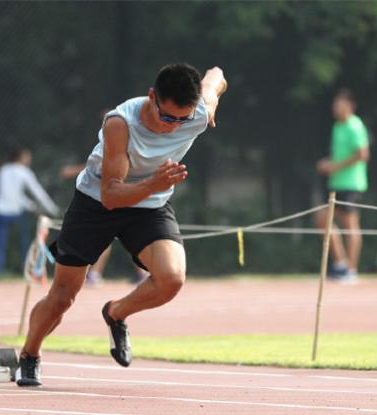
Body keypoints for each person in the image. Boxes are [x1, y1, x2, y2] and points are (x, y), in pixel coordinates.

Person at [15, 63, 227, 386]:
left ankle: (115, 312)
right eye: (167, 117)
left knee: (172, 279)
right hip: (96, 203)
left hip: (150, 206)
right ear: (152, 97)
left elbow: (216, 75)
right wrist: (153, 185)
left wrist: (209, 108)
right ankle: (30, 354)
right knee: (62, 297)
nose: (173, 127)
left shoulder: (196, 113)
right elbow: (111, 195)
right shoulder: (120, 123)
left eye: (182, 119)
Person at [316, 89, 370, 283]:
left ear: (350, 105)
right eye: (334, 105)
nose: (335, 108)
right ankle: (341, 263)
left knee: (350, 225)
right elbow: (340, 155)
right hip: (336, 183)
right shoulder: (337, 127)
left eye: (339, 105)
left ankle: (351, 271)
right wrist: (327, 163)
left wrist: (335, 166)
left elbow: (362, 154)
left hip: (351, 183)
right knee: (322, 220)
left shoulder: (355, 126)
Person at [0, 147, 60, 272]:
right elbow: (38, 192)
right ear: (20, 158)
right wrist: (52, 209)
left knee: (0, 243)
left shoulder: (3, 170)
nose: (29, 160)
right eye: (27, 157)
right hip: (15, 212)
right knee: (25, 240)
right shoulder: (24, 172)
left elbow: (10, 194)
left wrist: (31, 206)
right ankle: (27, 267)